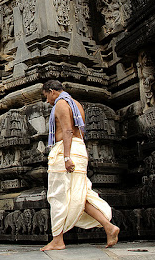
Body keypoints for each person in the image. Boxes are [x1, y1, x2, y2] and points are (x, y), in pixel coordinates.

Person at [40, 80, 120, 251]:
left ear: (52, 91)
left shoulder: (61, 104)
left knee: (58, 195)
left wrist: (67, 157)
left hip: (67, 151)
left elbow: (68, 130)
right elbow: (79, 132)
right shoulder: (76, 104)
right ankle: (109, 227)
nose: (47, 101)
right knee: (79, 195)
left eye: (46, 96)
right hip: (78, 148)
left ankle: (57, 239)